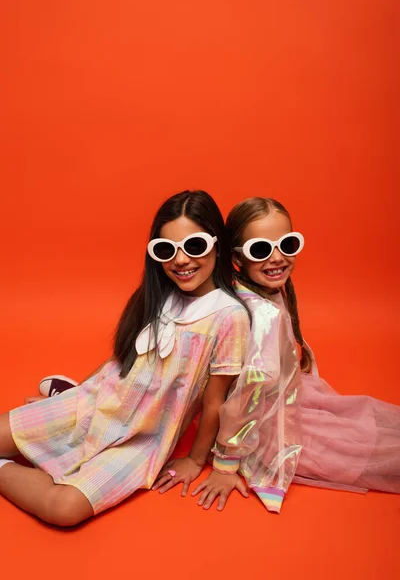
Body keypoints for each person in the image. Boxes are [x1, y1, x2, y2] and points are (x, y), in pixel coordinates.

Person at [0, 190, 250, 525]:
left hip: (141, 439)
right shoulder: (159, 293)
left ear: (216, 245)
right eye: (166, 249)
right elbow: (121, 361)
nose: (180, 261)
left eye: (194, 246)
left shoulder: (229, 317)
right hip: (96, 403)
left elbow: (215, 401)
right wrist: (78, 396)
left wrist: (195, 459)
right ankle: (65, 393)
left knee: (64, 508)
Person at [193, 197, 400, 513]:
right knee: (367, 453)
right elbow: (248, 391)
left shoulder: (262, 290)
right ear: (237, 258)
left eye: (287, 245)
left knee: (370, 434)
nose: (277, 258)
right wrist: (225, 464)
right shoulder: (258, 313)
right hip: (254, 423)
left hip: (280, 398)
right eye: (261, 250)